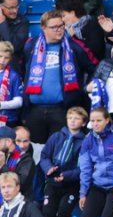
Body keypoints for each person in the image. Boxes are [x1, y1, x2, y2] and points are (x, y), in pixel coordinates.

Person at [23, 10, 95, 144]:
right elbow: (23, 69)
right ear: (43, 28)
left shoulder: (74, 46)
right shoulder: (31, 45)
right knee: (34, 152)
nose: (59, 30)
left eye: (61, 26)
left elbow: (94, 68)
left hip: (62, 110)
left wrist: (84, 89)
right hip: (34, 110)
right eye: (54, 27)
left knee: (58, 152)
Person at [39, 106, 87, 217]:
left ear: (83, 123)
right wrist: (48, 168)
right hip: (53, 183)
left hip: (70, 185)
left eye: (76, 118)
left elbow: (83, 167)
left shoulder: (84, 142)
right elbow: (44, 156)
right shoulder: (56, 137)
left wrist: (66, 175)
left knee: (63, 214)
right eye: (70, 118)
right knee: (48, 213)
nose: (72, 121)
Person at [78, 108, 113, 217]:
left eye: (99, 120)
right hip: (97, 185)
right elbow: (85, 169)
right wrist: (83, 193)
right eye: (92, 121)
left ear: (107, 120)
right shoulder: (88, 140)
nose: (95, 124)